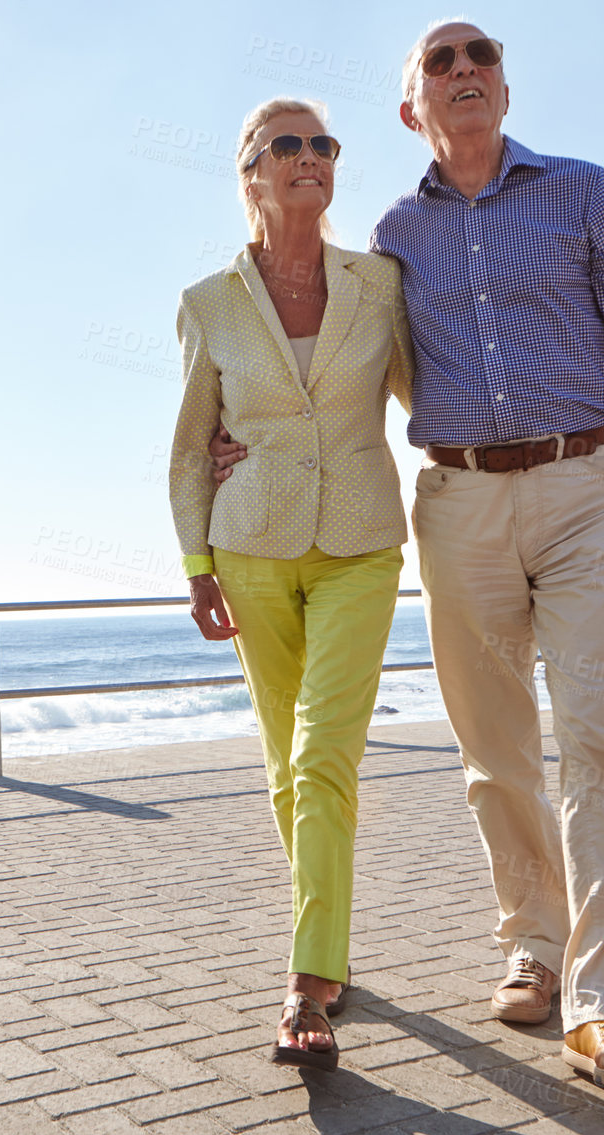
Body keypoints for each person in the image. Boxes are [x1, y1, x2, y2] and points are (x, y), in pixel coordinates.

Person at [211, 22, 604, 1094]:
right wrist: (246, 433)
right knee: (493, 749)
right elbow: (339, 362)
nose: (462, 72)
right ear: (412, 109)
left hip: (585, 488)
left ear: (502, 84)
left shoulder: (582, 190)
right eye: (437, 64)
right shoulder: (395, 235)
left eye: (478, 56)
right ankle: (532, 942)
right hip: (454, 501)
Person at [170, 97, 414, 1072]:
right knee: (284, 766)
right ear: (251, 173)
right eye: (288, 143)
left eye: (323, 143)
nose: (311, 156)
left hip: (361, 544)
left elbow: (427, 397)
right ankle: (334, 942)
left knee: (322, 753)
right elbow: (191, 446)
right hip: (252, 551)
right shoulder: (206, 303)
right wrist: (196, 564)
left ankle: (310, 979)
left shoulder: (381, 283)